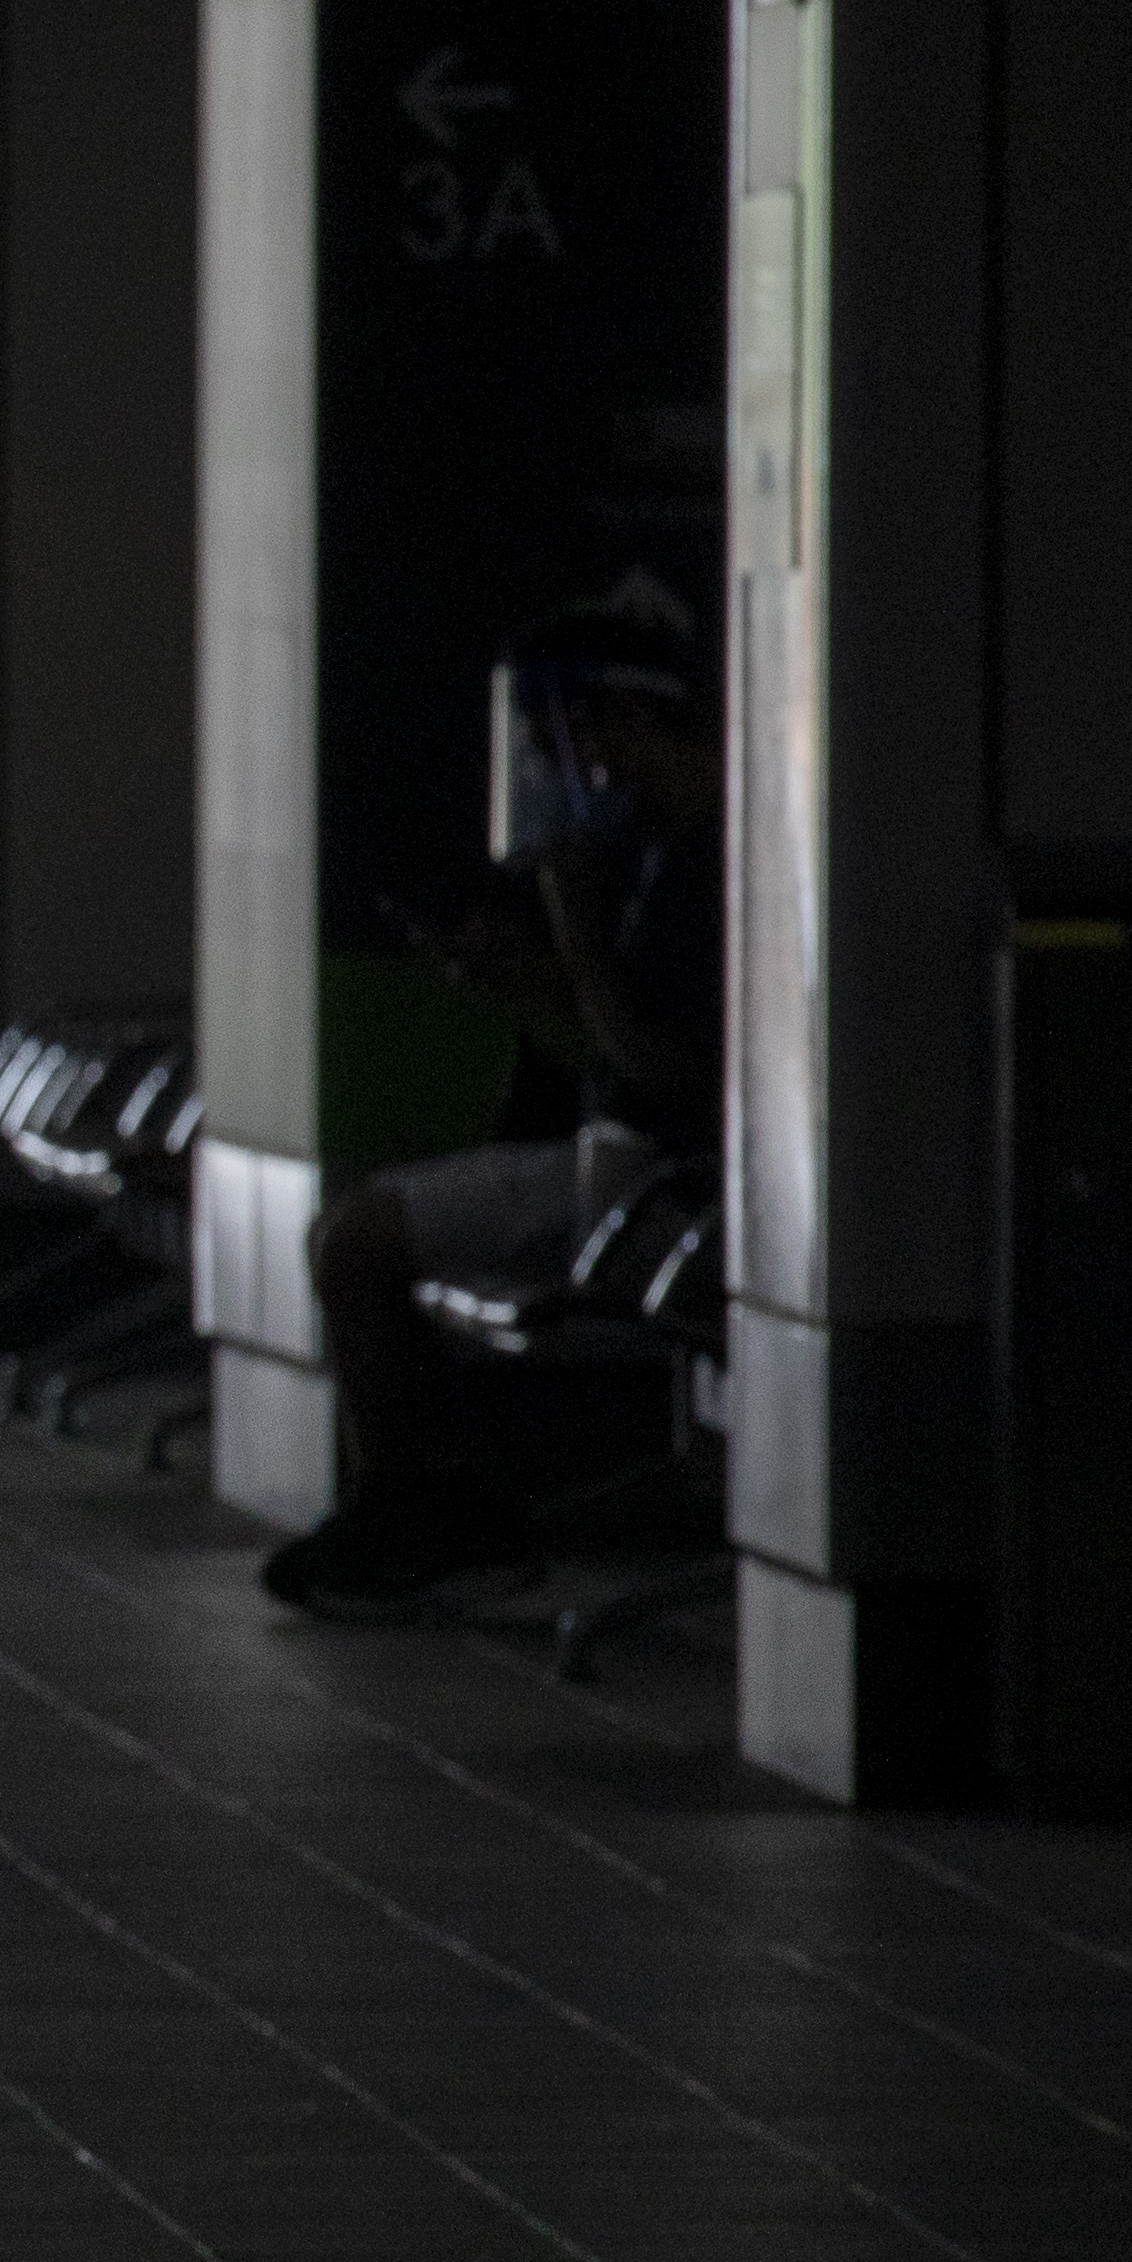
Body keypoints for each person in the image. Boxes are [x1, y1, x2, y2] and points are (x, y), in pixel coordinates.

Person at [261, 638, 720, 1612]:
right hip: (611, 1158)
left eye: (603, 734)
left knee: (358, 1242)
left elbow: (670, 1069)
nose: (592, 765)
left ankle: (415, 1510)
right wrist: (534, 978)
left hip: (660, 1191)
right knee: (356, 1232)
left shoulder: (710, 870)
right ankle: (410, 1498)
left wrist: (578, 931)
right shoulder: (651, 854)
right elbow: (606, 1046)